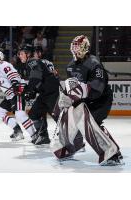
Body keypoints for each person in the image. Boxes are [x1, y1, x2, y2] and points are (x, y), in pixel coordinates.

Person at [51, 35, 123, 165]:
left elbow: (97, 89)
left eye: (77, 46)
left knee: (91, 123)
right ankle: (74, 145)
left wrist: (78, 92)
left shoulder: (94, 63)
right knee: (62, 114)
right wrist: (65, 96)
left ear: (85, 47)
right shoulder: (70, 66)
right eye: (73, 46)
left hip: (101, 100)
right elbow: (71, 86)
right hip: (85, 100)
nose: (74, 49)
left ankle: (112, 154)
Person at [0, 50, 37, 141]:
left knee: (20, 115)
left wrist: (15, 84)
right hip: (10, 96)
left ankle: (35, 135)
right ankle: (17, 130)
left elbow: (12, 74)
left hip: (16, 93)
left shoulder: (3, 64)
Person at [18, 44, 60, 145]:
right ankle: (43, 136)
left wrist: (27, 90)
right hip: (45, 93)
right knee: (34, 114)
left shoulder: (32, 61)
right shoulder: (34, 62)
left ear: (28, 54)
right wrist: (33, 91)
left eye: (21, 53)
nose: (19, 55)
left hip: (51, 93)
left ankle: (76, 139)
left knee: (58, 116)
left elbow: (36, 78)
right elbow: (40, 79)